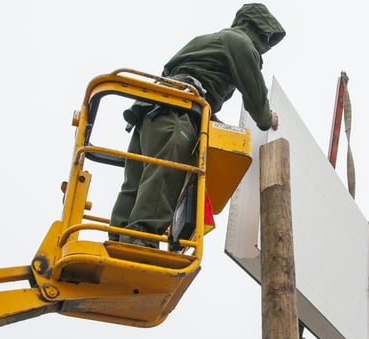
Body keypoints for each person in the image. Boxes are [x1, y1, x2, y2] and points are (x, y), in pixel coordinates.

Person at [109, 3, 286, 247]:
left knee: (139, 179)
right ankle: (141, 240)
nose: (266, 42)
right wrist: (268, 119)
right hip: (177, 112)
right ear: (259, 28)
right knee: (165, 172)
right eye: (267, 36)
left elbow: (184, 80)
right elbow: (255, 96)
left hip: (153, 110)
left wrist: (218, 127)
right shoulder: (240, 43)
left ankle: (118, 238)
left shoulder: (209, 41)